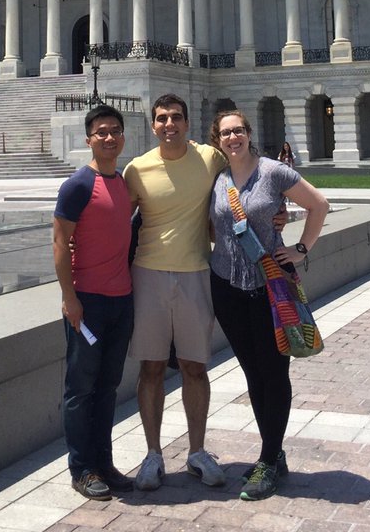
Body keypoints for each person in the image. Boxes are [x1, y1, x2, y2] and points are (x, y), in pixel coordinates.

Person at [209, 109, 329, 500]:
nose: (233, 137)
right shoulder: (218, 177)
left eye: (239, 130)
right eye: (226, 133)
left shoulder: (273, 172)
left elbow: (319, 204)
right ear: (218, 139)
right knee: (253, 374)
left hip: (268, 286)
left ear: (249, 133)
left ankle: (267, 457)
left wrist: (300, 248)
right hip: (226, 286)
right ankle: (272, 455)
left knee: (274, 373)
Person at [122, 93, 226, 491]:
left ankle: (197, 451)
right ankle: (152, 454)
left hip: (196, 273)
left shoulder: (208, 159)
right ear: (153, 125)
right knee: (150, 367)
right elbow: (117, 219)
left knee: (195, 367)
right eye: (162, 118)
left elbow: (247, 173)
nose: (170, 125)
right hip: (147, 275)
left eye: (176, 118)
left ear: (187, 123)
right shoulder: (138, 169)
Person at [53, 104, 135, 501]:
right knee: (80, 388)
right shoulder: (77, 185)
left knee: (108, 387)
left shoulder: (123, 183)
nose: (108, 137)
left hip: (121, 301)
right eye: (101, 131)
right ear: (89, 139)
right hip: (88, 302)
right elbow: (58, 242)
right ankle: (81, 468)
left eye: (114, 131)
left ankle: (103, 462)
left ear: (123, 136)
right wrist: (70, 299)